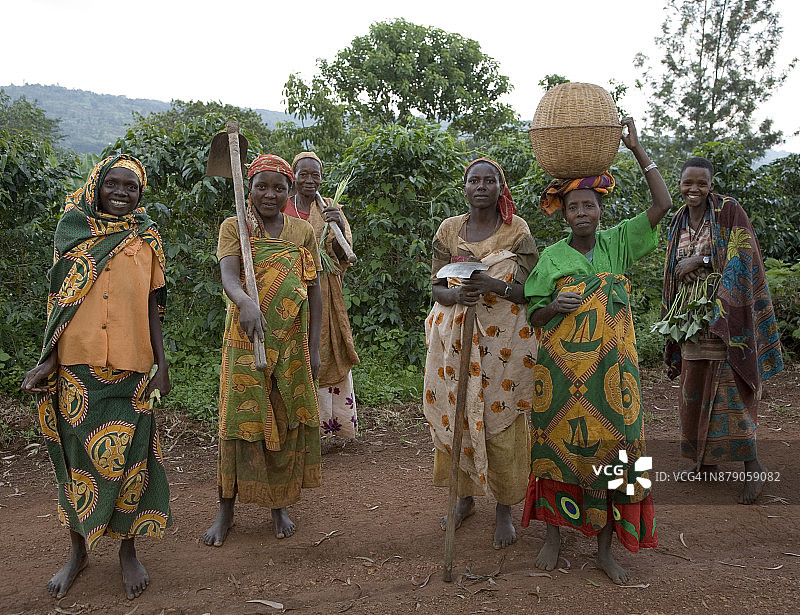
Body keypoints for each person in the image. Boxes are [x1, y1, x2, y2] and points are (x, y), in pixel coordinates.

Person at [522, 118, 668, 584]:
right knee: (554, 448)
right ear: (564, 215)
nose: (581, 212)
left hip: (616, 375)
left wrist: (637, 149)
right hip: (561, 377)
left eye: (588, 205)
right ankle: (553, 536)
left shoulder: (619, 243)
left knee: (618, 449)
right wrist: (556, 307)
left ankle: (606, 549)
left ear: (599, 209)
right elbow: (533, 315)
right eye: (573, 207)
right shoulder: (551, 259)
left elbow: (663, 204)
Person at [20, 155, 171, 600]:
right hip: (76, 368)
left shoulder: (147, 239)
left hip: (132, 367)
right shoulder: (72, 230)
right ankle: (78, 550)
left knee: (132, 462)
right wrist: (49, 358)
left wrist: (162, 364)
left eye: (132, 188)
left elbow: (153, 307)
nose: (122, 193)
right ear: (97, 186)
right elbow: (59, 302)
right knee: (76, 464)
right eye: (113, 185)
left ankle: (127, 551)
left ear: (140, 195)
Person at [202, 154, 322, 547]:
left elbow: (315, 290)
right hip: (244, 343)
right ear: (248, 188)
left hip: (290, 344)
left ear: (289, 191)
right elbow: (228, 274)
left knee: (284, 420)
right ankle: (226, 512)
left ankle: (279, 505)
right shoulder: (234, 226)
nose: (269, 194)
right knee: (238, 424)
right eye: (261, 186)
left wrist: (315, 347)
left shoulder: (302, 232)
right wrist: (244, 301)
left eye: (278, 187)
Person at [423, 157, 539, 549]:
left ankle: (504, 509)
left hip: (505, 342)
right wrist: (457, 294)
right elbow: (437, 287)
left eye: (490, 181)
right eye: (475, 180)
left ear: (500, 187)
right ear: (466, 186)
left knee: (498, 418)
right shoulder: (449, 230)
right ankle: (464, 499)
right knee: (457, 414)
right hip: (454, 338)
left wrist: (491, 284)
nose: (482, 187)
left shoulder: (516, 230)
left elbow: (528, 291)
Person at [661, 156, 783, 504]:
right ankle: (704, 463)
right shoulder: (679, 219)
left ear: (711, 185)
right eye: (688, 183)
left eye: (701, 183)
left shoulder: (729, 211)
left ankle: (753, 466)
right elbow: (672, 266)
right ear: (680, 184)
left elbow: (743, 255)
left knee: (728, 393)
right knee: (693, 391)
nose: (693, 189)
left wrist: (700, 261)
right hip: (690, 320)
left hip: (725, 320)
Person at [286, 151, 360, 442]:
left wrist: (338, 225)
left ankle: (331, 429)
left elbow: (344, 256)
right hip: (289, 289)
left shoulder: (330, 208)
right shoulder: (283, 207)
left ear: (322, 177)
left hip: (324, 290)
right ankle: (296, 428)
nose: (309, 180)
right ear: (293, 176)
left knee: (325, 349)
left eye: (315, 175)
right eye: (303, 174)